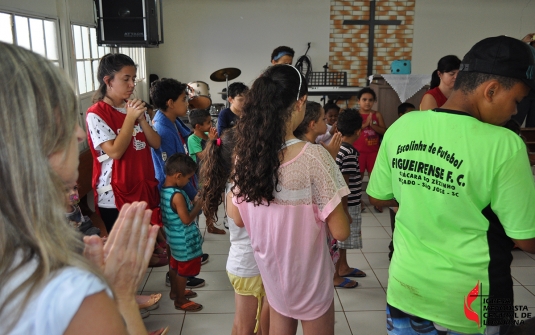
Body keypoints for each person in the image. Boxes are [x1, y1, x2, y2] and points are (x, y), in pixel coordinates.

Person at [366, 36, 535, 335]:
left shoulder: (403, 126)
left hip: (406, 288)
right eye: (517, 101)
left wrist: (428, 197)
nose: (514, 112)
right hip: (481, 299)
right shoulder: (505, 145)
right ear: (491, 90)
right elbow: (527, 240)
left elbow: (378, 197)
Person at [0, 42, 161, 335]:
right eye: (60, 123)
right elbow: (114, 152)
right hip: (116, 191)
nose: (77, 134)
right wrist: (121, 296)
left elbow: (154, 142)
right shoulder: (72, 291)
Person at [229, 64, 350, 335]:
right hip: (310, 279)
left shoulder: (244, 156)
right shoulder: (314, 156)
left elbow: (237, 218)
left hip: (272, 274)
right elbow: (341, 230)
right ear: (301, 102)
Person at [201, 128, 269, 335]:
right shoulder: (237, 190)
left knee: (258, 325)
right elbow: (240, 220)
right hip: (248, 267)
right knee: (244, 328)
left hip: (251, 264)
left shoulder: (240, 185)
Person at [86, 53, 161, 233]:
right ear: (108, 81)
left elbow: (156, 143)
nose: (132, 84)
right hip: (115, 195)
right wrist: (130, 118)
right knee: (125, 254)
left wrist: (142, 119)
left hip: (142, 186)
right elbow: (115, 152)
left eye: (133, 78)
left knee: (143, 249)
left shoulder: (133, 107)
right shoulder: (96, 113)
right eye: (126, 79)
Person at [149, 78, 207, 289]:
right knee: (178, 235)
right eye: (184, 99)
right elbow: (176, 173)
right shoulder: (163, 129)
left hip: (182, 185)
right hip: (175, 190)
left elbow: (188, 133)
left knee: (186, 232)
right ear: (171, 102)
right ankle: (179, 274)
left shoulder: (171, 120)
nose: (187, 103)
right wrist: (193, 194)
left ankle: (188, 261)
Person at [161, 153, 204, 312]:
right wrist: (198, 206)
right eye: (188, 179)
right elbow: (186, 219)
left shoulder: (165, 190)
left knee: (174, 267)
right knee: (183, 271)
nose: (188, 182)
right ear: (178, 176)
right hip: (184, 241)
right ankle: (180, 300)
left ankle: (175, 292)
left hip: (173, 238)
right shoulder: (177, 195)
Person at [335, 109, 366, 287]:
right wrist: (345, 210)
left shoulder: (339, 148)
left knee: (343, 241)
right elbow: (343, 185)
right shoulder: (349, 153)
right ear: (358, 131)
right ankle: (335, 275)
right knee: (340, 240)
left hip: (344, 204)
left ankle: (343, 267)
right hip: (347, 204)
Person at [352, 87, 386, 212]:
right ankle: (357, 201)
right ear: (358, 101)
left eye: (370, 100)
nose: (367, 102)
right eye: (364, 99)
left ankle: (377, 201)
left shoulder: (377, 115)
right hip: (358, 152)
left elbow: (385, 131)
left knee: (375, 178)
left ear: (374, 102)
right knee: (357, 178)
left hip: (373, 152)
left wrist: (373, 126)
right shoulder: (355, 115)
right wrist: (365, 125)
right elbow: (352, 131)